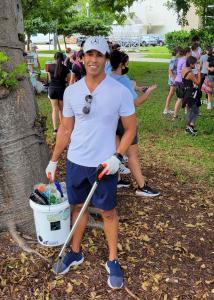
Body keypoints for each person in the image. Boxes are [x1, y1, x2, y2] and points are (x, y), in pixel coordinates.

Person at [45, 36, 137, 289]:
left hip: (105, 165)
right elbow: (65, 130)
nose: (93, 59)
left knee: (108, 212)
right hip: (76, 161)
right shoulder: (72, 91)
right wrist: (53, 161)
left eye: (99, 55)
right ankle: (75, 252)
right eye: (89, 54)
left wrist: (118, 156)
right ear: (82, 58)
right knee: (77, 208)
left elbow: (130, 129)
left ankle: (112, 260)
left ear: (106, 59)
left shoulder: (119, 92)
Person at [110, 50, 160, 197]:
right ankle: (142, 186)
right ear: (122, 64)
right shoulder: (123, 79)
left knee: (116, 151)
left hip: (110, 120)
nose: (127, 65)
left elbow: (126, 83)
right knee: (132, 155)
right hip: (125, 121)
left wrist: (135, 86)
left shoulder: (106, 74)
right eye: (126, 62)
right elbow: (136, 102)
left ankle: (117, 180)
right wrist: (148, 91)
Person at [48, 52, 71, 134]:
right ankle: (62, 128)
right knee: (61, 110)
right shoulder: (65, 68)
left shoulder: (50, 67)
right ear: (63, 59)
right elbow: (69, 81)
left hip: (52, 89)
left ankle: (55, 129)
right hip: (61, 89)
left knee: (54, 109)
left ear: (54, 58)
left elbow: (50, 79)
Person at [181, 56, 201, 135]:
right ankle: (189, 127)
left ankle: (188, 128)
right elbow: (198, 82)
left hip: (186, 92)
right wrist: (199, 71)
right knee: (195, 111)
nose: (195, 64)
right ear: (191, 63)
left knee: (190, 110)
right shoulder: (189, 73)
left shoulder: (184, 69)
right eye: (195, 63)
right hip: (190, 93)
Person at [173, 47, 191, 120]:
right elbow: (185, 72)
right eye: (190, 52)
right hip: (182, 82)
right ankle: (175, 116)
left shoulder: (180, 59)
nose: (191, 54)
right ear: (187, 53)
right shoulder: (185, 60)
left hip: (178, 81)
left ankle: (186, 112)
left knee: (184, 97)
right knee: (180, 99)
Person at [163, 46, 182, 115]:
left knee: (171, 93)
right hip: (173, 79)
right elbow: (170, 71)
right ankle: (166, 109)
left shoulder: (176, 59)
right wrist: (174, 79)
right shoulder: (173, 59)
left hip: (175, 79)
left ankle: (166, 109)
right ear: (177, 52)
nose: (181, 53)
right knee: (171, 93)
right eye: (180, 52)